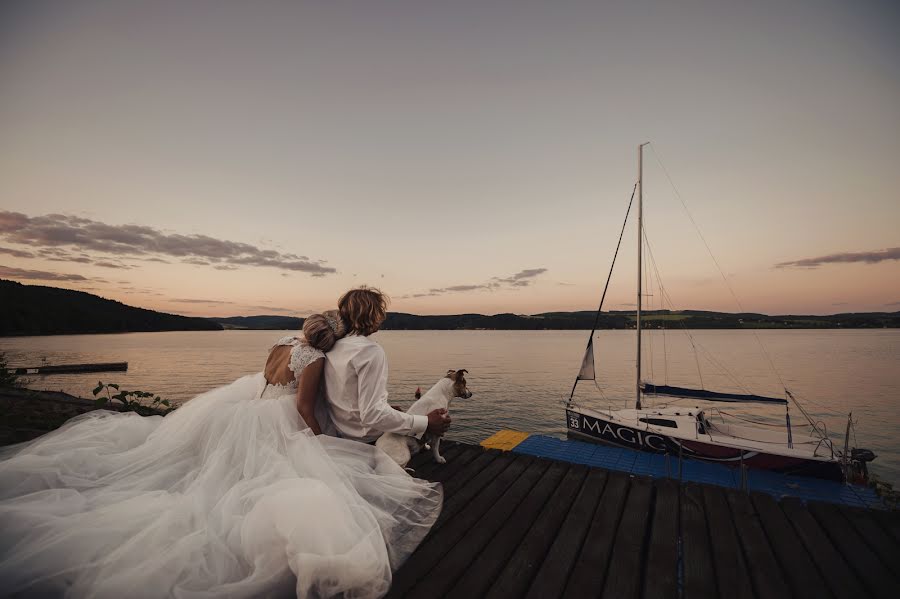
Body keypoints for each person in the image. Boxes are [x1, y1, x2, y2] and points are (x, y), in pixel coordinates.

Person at [0, 309, 442, 598]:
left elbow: (272, 379)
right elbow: (305, 408)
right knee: (272, 473)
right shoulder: (315, 360)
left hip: (247, 408)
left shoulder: (283, 343)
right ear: (330, 341)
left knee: (221, 469)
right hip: (276, 418)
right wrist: (317, 441)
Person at [324, 287, 451, 443]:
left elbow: (348, 398)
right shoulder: (369, 351)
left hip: (340, 435)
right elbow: (372, 415)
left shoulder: (332, 346)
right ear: (374, 315)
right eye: (381, 310)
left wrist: (388, 409)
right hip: (367, 438)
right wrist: (425, 422)